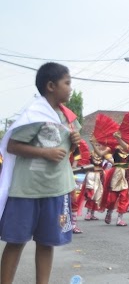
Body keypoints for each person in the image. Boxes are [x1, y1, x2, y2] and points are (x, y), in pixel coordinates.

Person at [0, 62, 82, 284]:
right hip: (27, 190)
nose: (70, 87)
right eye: (67, 83)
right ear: (51, 86)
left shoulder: (68, 118)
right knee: (16, 241)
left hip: (55, 189)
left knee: (47, 242)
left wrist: (75, 143)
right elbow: (12, 146)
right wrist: (44, 153)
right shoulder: (34, 114)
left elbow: (69, 153)